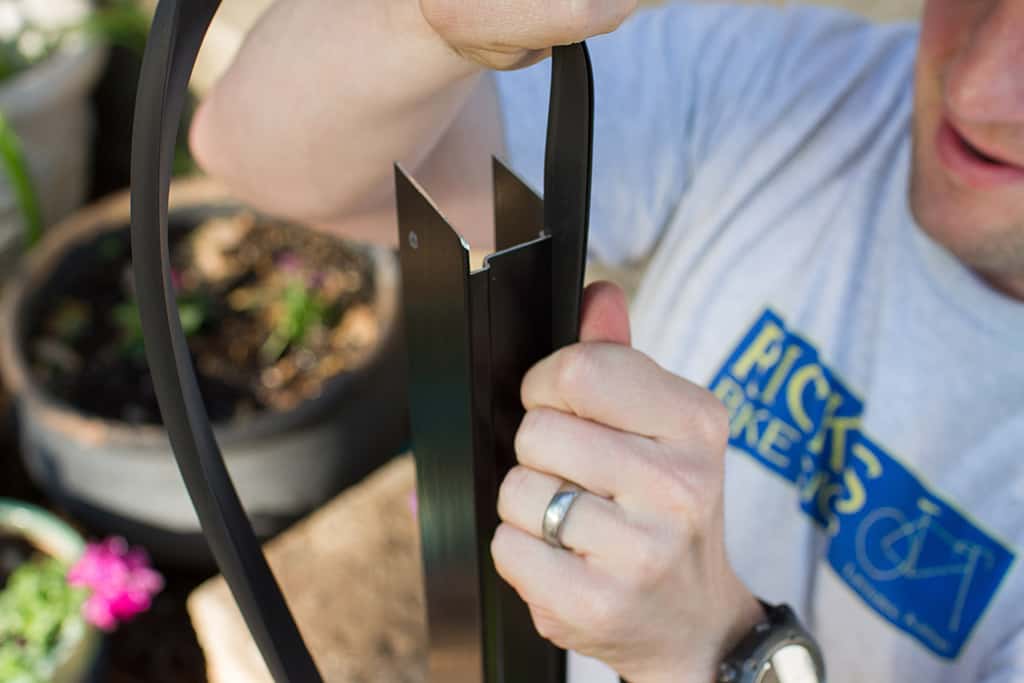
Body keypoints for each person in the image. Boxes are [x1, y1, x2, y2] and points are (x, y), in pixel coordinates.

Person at [188, 0, 1024, 681]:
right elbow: (260, 152)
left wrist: (713, 650)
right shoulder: (800, 85)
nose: (979, 91)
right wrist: (433, 18)